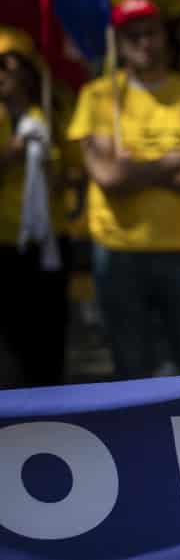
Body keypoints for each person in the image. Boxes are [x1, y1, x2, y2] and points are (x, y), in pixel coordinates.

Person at [67, 0, 180, 379]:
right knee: (131, 367)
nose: (144, 43)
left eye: (151, 32)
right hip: (119, 251)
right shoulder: (98, 96)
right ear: (119, 43)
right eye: (133, 35)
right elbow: (107, 179)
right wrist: (172, 161)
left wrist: (133, 170)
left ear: (165, 37)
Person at [0, 29, 66, 386]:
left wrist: (49, 163)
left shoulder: (52, 111)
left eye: (8, 66)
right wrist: (13, 148)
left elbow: (70, 174)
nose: (2, 75)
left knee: (46, 334)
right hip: (5, 242)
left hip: (49, 243)